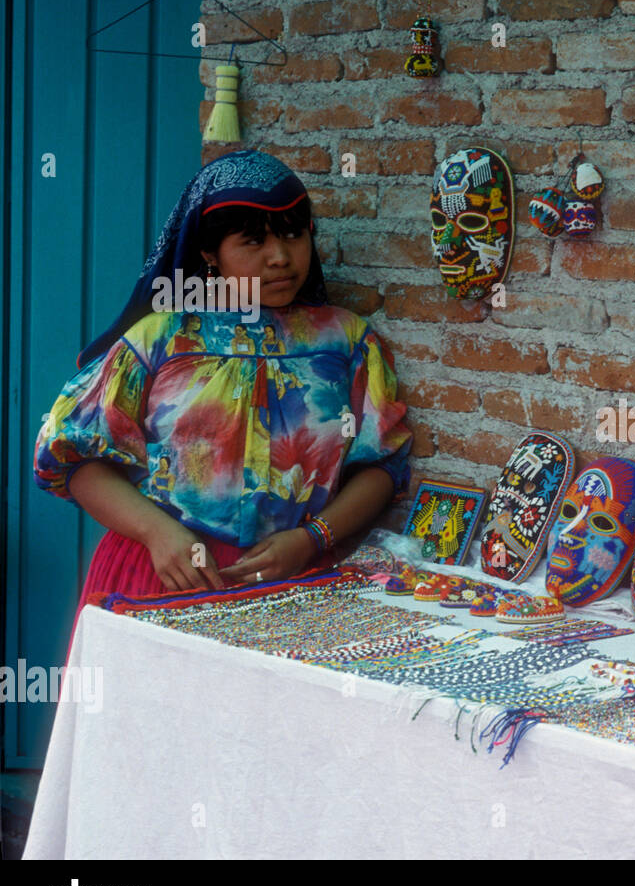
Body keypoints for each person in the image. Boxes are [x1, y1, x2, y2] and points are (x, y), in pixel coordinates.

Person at [33, 149, 412, 620]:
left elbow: (381, 466)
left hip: (294, 584)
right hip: (162, 578)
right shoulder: (160, 339)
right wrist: (157, 533)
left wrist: (312, 539)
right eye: (253, 242)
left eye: (294, 235)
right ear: (210, 253)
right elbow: (74, 459)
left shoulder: (346, 342)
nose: (280, 258)